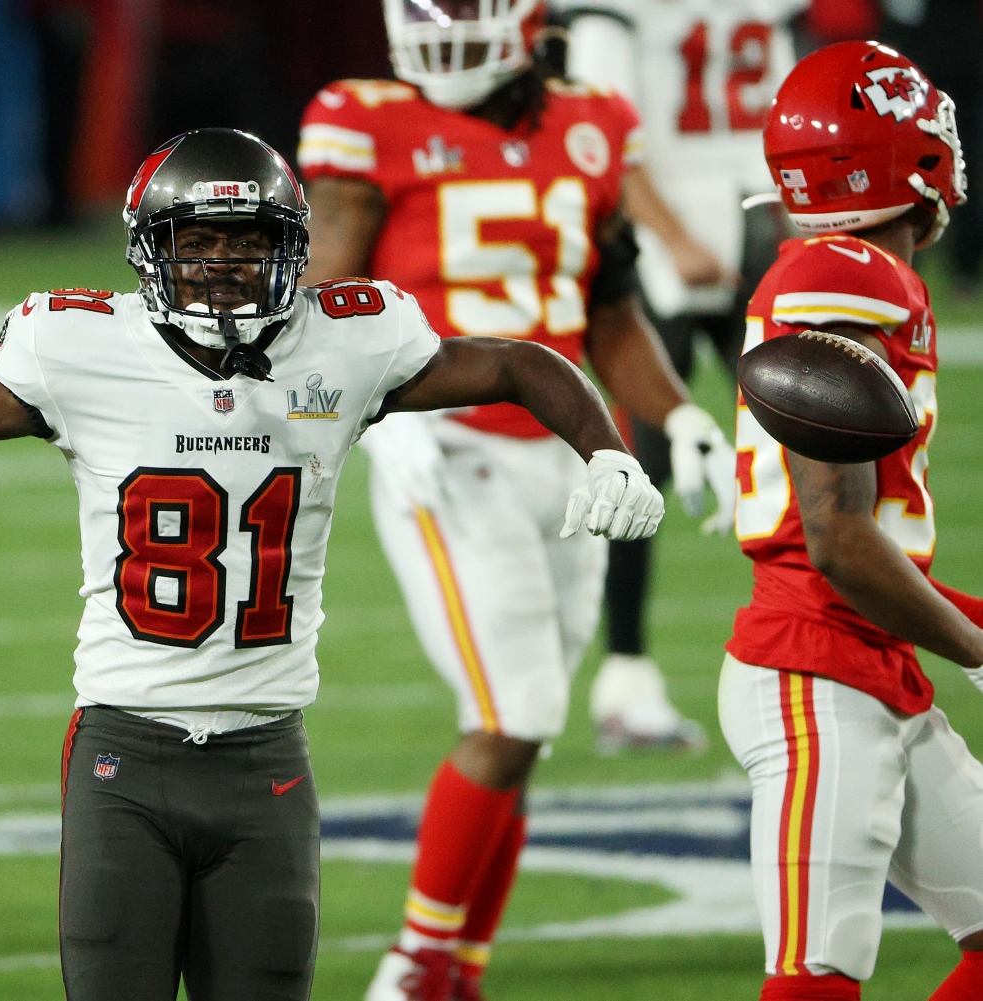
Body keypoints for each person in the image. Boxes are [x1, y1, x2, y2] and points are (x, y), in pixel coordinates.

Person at [0, 127, 665, 1001]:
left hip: (269, 755)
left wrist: (607, 443)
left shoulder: (347, 343)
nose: (221, 265)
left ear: (290, 249)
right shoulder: (80, 347)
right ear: (151, 249)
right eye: (197, 242)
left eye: (246, 243)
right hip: (124, 746)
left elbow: (523, 361)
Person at [295, 2, 733, 995]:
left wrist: (678, 414)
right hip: (447, 448)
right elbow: (322, 300)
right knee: (514, 709)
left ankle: (460, 967)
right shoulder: (367, 121)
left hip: (569, 452)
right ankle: (413, 965)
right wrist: (374, 414)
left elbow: (609, 308)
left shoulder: (591, 121)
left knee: (522, 726)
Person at [721, 40, 983, 1001]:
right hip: (814, 670)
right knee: (816, 977)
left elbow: (873, 538)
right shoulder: (849, 275)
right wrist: (974, 647)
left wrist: (970, 624)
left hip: (867, 658)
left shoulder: (848, 268)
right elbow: (835, 536)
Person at [558, 0, 806, 752]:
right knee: (639, 468)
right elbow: (606, 139)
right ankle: (626, 678)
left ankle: (818, 649)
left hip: (756, 221)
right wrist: (672, 235)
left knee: (811, 440)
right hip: (663, 238)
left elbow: (792, 114)